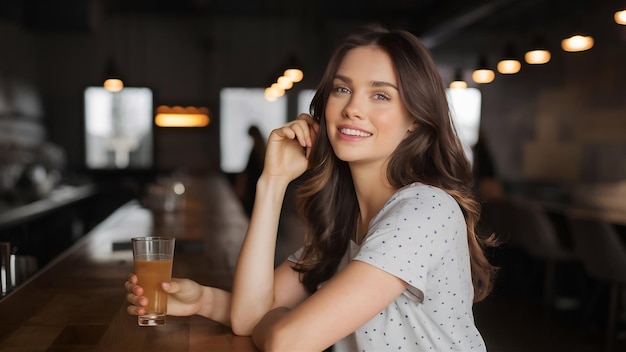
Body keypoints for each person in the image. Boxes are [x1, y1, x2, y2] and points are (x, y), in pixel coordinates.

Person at [125, 23, 497, 351]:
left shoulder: (423, 210)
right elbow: (248, 318)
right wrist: (271, 182)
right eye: (342, 89)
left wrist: (278, 323)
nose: (352, 108)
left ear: (416, 119)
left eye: (380, 95)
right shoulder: (344, 220)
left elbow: (288, 343)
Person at [235, 125, 267, 216]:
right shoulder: (262, 149)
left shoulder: (258, 150)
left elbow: (247, 171)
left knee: (253, 211)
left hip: (254, 185)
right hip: (256, 184)